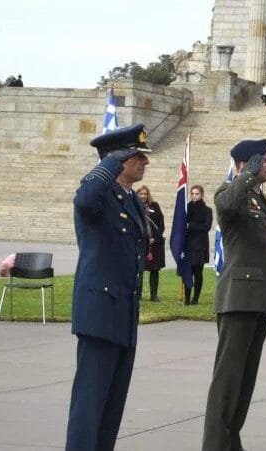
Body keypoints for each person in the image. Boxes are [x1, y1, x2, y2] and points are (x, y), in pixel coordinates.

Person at [65, 124, 152, 450]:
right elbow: (85, 199)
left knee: (111, 407)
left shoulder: (129, 199)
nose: (145, 162)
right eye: (138, 155)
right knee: (89, 405)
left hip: (123, 314)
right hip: (100, 313)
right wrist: (108, 163)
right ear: (119, 159)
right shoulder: (98, 194)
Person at [202, 138, 266, 451]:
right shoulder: (230, 193)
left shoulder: (258, 199)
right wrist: (247, 175)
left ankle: (231, 442)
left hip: (257, 300)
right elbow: (227, 205)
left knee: (244, 383)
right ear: (248, 163)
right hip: (238, 299)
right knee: (228, 382)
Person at [185, 185, 213, 305]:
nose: (194, 196)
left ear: (201, 194)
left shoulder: (207, 210)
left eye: (197, 194)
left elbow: (206, 226)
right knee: (187, 272)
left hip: (200, 245)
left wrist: (190, 226)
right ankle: (186, 298)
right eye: (192, 193)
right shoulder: (186, 208)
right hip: (188, 244)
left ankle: (195, 298)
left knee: (198, 272)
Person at [138, 184, 165, 302]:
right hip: (140, 244)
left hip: (155, 244)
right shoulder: (134, 205)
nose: (143, 196)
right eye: (141, 194)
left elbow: (161, 225)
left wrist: (154, 238)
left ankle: (154, 295)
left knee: (154, 270)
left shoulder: (155, 206)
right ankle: (137, 294)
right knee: (139, 270)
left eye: (145, 193)